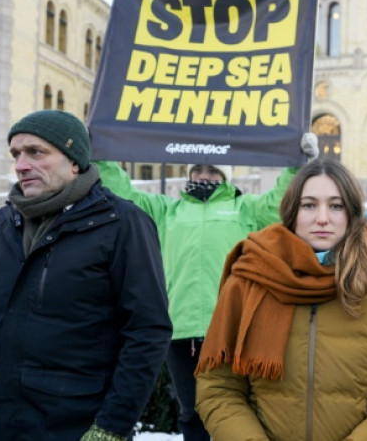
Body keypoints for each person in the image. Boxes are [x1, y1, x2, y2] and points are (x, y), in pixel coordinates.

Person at [93, 133, 317, 441]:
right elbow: (124, 193)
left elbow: (282, 201)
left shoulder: (245, 209)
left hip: (231, 328)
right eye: (198, 170)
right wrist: (100, 154)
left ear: (224, 176)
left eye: (212, 170)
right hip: (180, 329)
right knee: (191, 411)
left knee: (234, 410)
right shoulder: (166, 212)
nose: (203, 175)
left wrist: (298, 165)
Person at [0, 110, 172, 441]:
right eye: (16, 154)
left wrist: (110, 427)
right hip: (0, 424)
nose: (21, 164)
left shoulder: (122, 224)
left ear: (75, 161)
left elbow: (147, 332)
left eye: (36, 152)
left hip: (76, 425)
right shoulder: (3, 227)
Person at [195, 158, 367, 440]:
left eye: (335, 205)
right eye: (309, 205)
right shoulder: (248, 281)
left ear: (351, 213)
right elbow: (218, 388)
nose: (322, 218)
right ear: (292, 212)